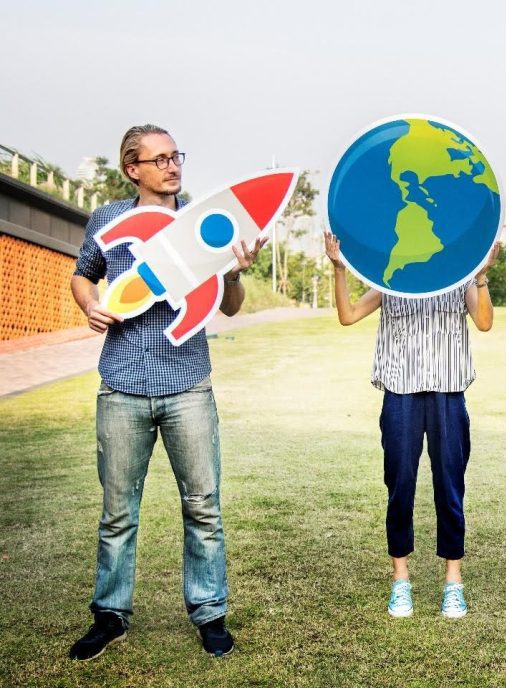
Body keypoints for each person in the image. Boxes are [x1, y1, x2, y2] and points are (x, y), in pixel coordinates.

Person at [68, 124, 264, 660]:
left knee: (203, 507)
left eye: (176, 155)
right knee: (117, 512)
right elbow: (83, 275)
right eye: (158, 159)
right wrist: (89, 304)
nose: (172, 166)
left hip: (188, 388)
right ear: (133, 169)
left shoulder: (204, 222)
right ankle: (110, 615)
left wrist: (235, 270)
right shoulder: (109, 219)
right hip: (123, 386)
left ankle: (209, 613)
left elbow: (229, 306)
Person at [324, 230, 496, 618]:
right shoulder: (393, 278)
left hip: (448, 393)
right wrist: (339, 269)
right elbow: (348, 315)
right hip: (399, 394)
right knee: (399, 484)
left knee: (450, 486)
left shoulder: (459, 276)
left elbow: (484, 322)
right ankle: (400, 580)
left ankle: (454, 581)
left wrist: (482, 275)